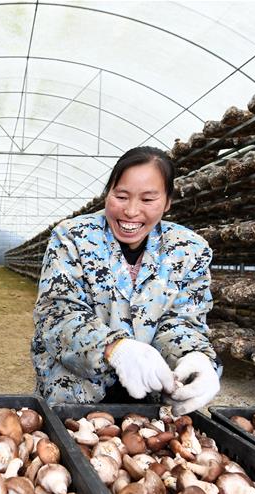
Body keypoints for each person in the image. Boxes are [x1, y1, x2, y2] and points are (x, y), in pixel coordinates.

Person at [31, 146, 219, 415]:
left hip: (155, 392)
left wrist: (194, 357)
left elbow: (181, 320)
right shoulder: (73, 237)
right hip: (76, 394)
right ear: (107, 193)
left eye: (148, 199)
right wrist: (114, 348)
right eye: (121, 196)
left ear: (167, 202)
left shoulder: (188, 250)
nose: (131, 211)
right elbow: (57, 313)